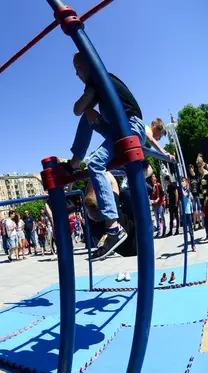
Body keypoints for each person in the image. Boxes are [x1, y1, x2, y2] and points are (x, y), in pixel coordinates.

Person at [63, 52, 165, 261]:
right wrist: (90, 109)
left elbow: (76, 108)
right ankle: (74, 162)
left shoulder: (98, 79)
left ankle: (113, 227)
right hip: (118, 127)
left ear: (87, 65)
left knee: (96, 163)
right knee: (86, 117)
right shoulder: (97, 84)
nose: (76, 74)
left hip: (129, 128)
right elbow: (81, 110)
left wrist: (88, 107)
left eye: (77, 68)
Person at [84, 171, 136, 262]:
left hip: (130, 246)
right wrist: (99, 169)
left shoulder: (93, 219)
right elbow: (114, 182)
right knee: (124, 193)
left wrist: (93, 173)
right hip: (136, 243)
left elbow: (88, 193)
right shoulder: (110, 208)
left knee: (125, 194)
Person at [181, 177, 196, 253]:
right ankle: (185, 247)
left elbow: (185, 195)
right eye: (181, 181)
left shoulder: (187, 190)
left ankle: (193, 245)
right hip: (183, 213)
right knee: (184, 231)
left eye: (183, 181)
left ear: (186, 183)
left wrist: (181, 189)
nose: (182, 183)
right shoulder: (181, 191)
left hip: (188, 213)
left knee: (190, 230)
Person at [188, 164, 203, 229]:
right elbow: (189, 186)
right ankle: (194, 224)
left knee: (199, 210)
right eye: (189, 169)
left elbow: (199, 184)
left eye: (191, 168)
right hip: (193, 195)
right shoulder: (189, 177)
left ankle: (199, 222)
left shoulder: (196, 176)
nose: (190, 170)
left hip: (197, 194)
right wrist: (190, 193)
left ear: (193, 168)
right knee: (194, 210)